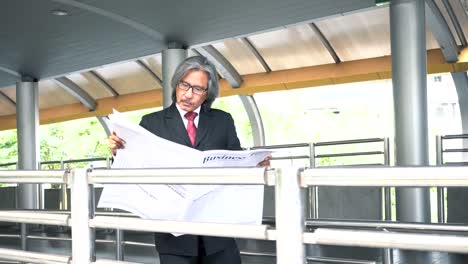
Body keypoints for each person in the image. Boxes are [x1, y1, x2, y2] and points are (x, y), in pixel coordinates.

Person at [108, 55, 270, 264]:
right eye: (184, 85)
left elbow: (235, 162)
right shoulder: (152, 123)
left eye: (198, 89)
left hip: (218, 232)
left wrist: (254, 165)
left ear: (207, 93)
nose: (188, 94)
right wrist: (118, 151)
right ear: (176, 84)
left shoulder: (222, 121)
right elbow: (133, 168)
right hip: (174, 235)